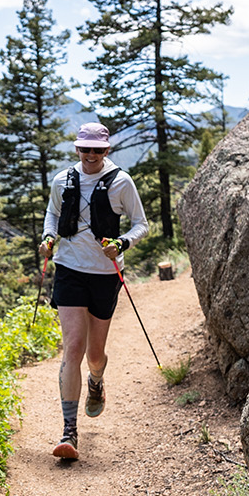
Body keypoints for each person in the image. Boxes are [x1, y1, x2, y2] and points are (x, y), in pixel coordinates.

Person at [38, 122, 150, 460]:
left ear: (107, 151)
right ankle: (68, 431)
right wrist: (48, 237)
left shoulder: (121, 182)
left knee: (95, 355)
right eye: (85, 149)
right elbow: (52, 214)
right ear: (77, 149)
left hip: (105, 273)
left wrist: (122, 242)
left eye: (97, 150)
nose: (90, 155)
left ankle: (97, 380)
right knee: (73, 346)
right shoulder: (62, 180)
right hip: (69, 269)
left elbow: (141, 223)